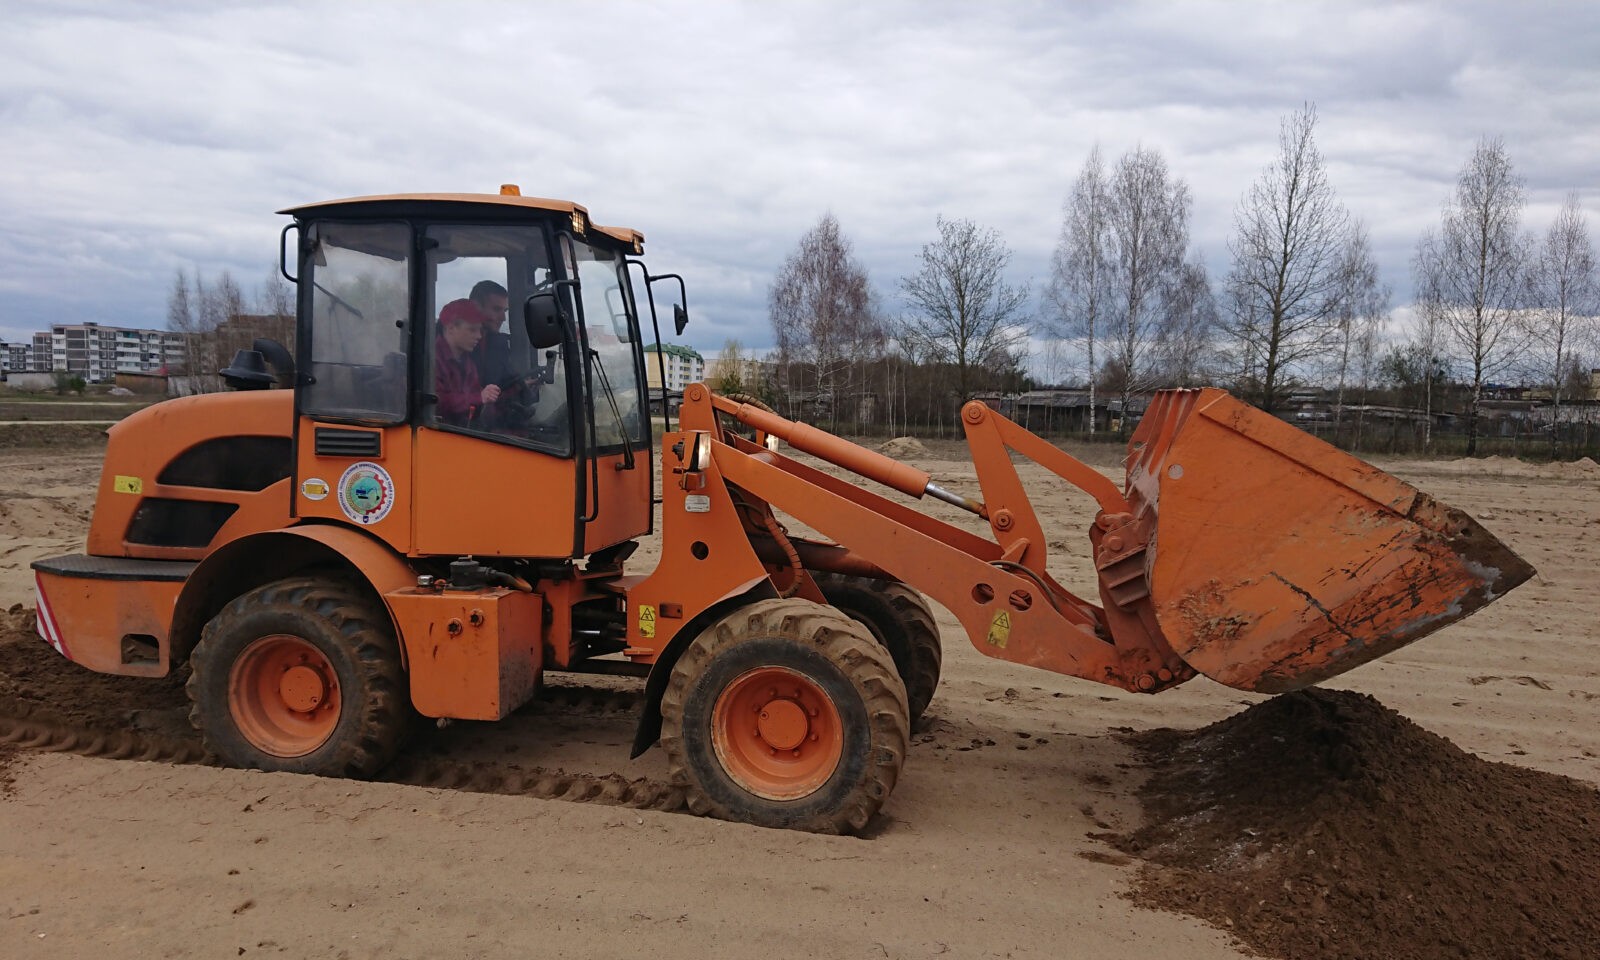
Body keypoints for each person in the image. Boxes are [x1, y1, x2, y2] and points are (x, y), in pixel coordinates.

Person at [434, 299, 499, 426]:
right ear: (451, 328)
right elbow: (436, 402)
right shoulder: (431, 360)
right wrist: (479, 397)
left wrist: (489, 396)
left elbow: (475, 394)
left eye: (480, 330)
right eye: (472, 330)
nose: (479, 336)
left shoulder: (467, 362)